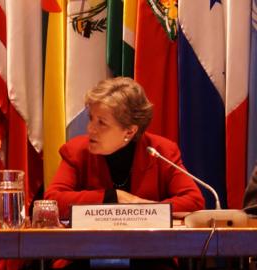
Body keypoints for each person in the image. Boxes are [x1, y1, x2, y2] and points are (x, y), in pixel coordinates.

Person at [44, 77, 205, 269]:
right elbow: (52, 202)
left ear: (129, 131)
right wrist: (114, 197)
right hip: (84, 253)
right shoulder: (77, 152)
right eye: (91, 119)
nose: (90, 129)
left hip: (149, 254)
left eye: (101, 123)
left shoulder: (161, 151)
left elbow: (194, 201)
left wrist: (145, 210)